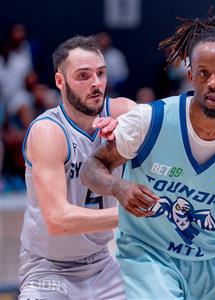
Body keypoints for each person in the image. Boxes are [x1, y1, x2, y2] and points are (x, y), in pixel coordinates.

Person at [80, 12, 215, 300]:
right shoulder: (152, 120)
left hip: (213, 262)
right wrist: (118, 187)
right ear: (190, 76)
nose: (213, 82)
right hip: (149, 254)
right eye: (203, 73)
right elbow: (91, 168)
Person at [19, 35, 135, 300]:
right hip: (47, 269)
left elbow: (171, 126)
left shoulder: (123, 113)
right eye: (83, 76)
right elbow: (58, 220)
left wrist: (131, 133)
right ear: (60, 81)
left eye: (101, 74)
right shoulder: (48, 131)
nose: (96, 83)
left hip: (103, 265)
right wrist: (132, 213)